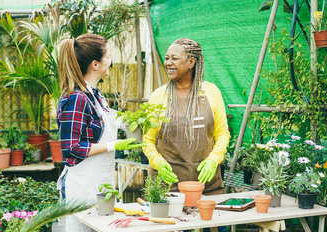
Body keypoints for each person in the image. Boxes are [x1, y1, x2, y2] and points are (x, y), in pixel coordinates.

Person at [56, 33, 145, 232]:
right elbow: (70, 149)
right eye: (108, 56)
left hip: (100, 183)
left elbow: (108, 118)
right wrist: (114, 145)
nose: (110, 60)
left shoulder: (94, 94)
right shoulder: (76, 98)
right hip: (82, 187)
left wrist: (135, 120)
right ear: (95, 64)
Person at [143, 37, 230, 194]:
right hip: (168, 188)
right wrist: (158, 162)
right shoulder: (158, 96)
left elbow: (222, 133)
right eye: (167, 58)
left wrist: (213, 160)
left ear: (191, 62)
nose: (168, 62)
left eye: (175, 58)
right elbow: (148, 139)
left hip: (207, 186)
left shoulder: (211, 92)